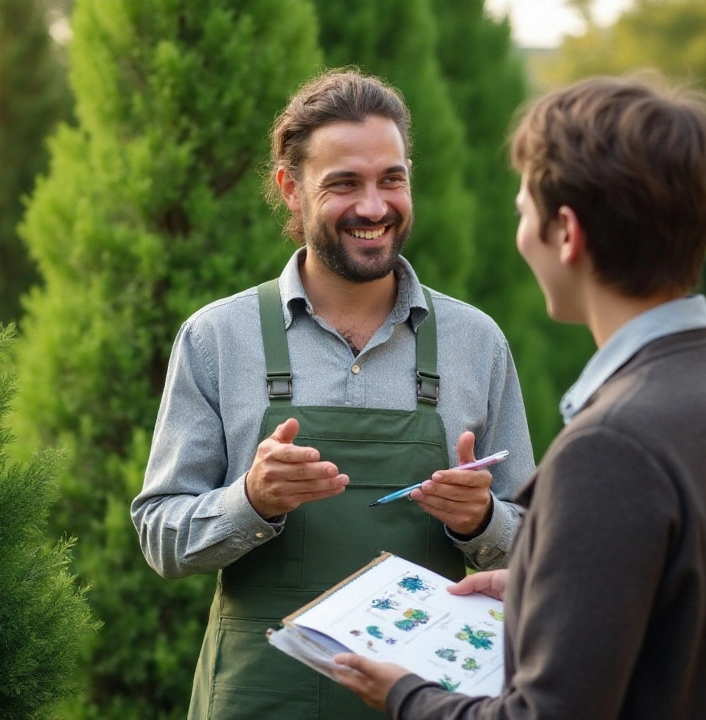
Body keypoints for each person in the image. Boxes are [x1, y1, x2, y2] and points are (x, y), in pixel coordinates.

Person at [333, 73, 706, 719]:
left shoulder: (613, 443)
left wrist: (404, 693)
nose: (521, 236)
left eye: (523, 212)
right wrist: (550, 593)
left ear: (567, 233)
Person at [130, 69, 536, 720]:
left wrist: (480, 520)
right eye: (344, 183)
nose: (373, 207)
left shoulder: (475, 344)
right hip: (259, 700)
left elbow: (539, 552)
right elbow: (160, 536)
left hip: (426, 702)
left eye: (391, 179)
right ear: (292, 190)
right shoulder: (218, 338)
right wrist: (252, 501)